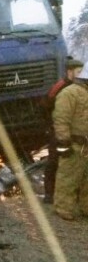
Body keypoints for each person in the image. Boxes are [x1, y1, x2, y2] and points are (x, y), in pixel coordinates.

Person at [42, 58, 84, 203]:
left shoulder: (82, 87)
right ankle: (50, 193)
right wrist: (52, 127)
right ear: (69, 71)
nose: (80, 74)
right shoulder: (60, 86)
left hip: (75, 132)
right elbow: (46, 107)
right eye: (78, 71)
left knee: (75, 165)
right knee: (55, 161)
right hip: (58, 130)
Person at [51, 64, 88, 220]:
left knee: (86, 179)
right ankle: (63, 208)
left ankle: (85, 207)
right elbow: (61, 119)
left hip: (84, 144)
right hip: (75, 143)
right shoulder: (69, 93)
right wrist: (64, 143)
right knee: (68, 177)